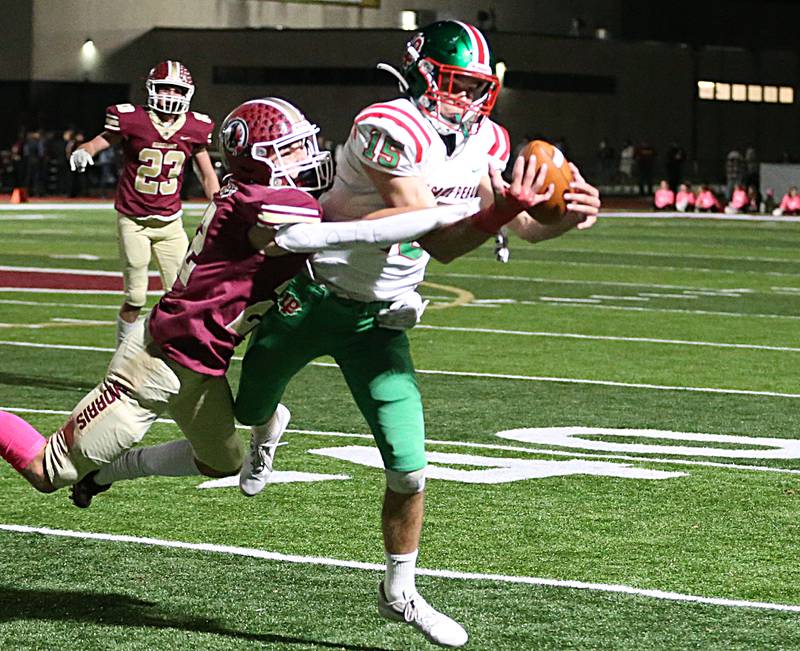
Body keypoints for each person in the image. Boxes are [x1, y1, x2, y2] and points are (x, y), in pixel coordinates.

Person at [233, 20, 600, 648]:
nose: (466, 99)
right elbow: (435, 235)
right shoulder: (385, 124)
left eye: (475, 87)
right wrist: (505, 208)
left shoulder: (487, 138)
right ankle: (269, 426)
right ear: (422, 72)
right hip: (315, 293)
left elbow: (514, 228)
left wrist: (563, 216)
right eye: (454, 83)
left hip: (381, 316)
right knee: (243, 414)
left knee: (410, 469)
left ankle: (399, 590)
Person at [0, 96, 485, 509]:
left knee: (222, 461)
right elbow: (343, 235)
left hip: (205, 365)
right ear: (260, 159)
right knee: (46, 472)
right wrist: (445, 210)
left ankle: (107, 474)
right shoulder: (273, 203)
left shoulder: (272, 196)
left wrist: (401, 294)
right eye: (292, 148)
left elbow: (334, 267)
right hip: (155, 365)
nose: (309, 154)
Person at [69, 61, 220, 346]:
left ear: (187, 93)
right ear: (151, 89)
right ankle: (122, 355)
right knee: (136, 297)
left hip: (170, 223)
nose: (170, 95)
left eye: (177, 90)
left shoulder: (195, 126)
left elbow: (207, 174)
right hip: (134, 220)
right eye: (165, 88)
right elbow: (98, 142)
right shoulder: (133, 120)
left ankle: (169, 353)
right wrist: (83, 151)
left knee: (181, 295)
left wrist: (221, 205)